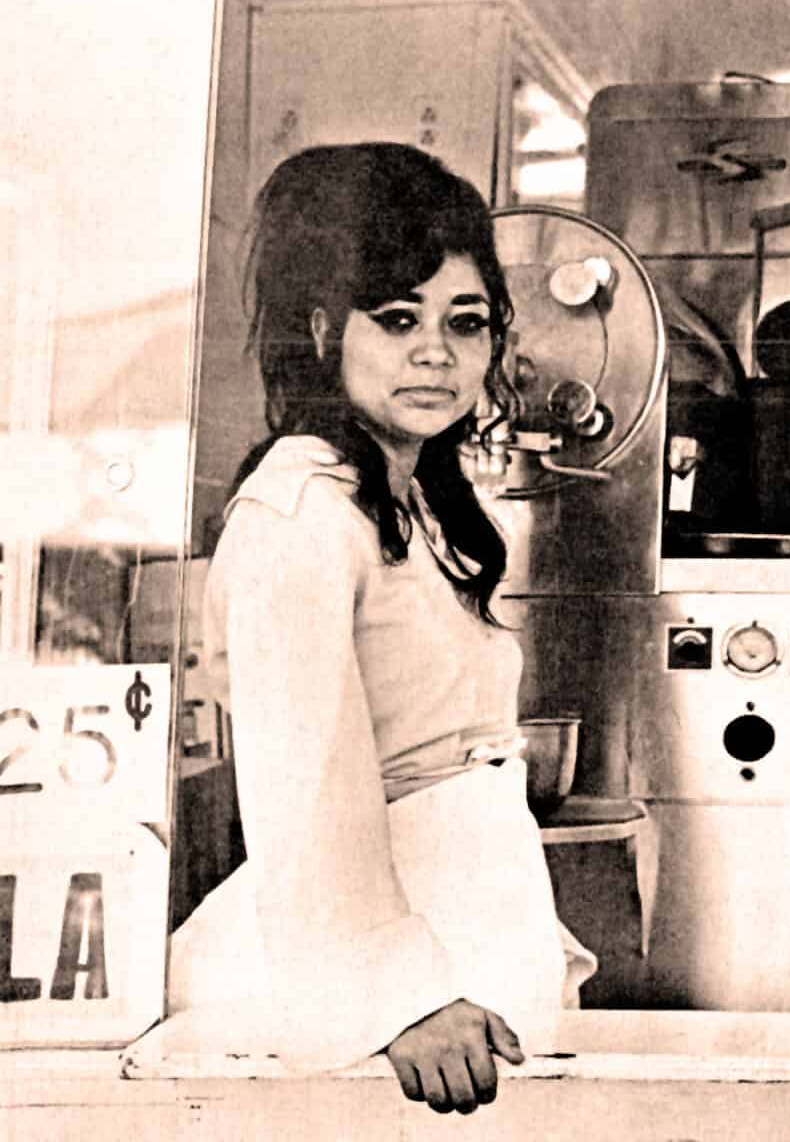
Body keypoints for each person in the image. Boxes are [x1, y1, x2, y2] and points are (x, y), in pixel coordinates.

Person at [165, 142, 595, 1112]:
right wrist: (398, 996)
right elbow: (304, 780)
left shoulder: (410, 502)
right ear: (323, 330)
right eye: (397, 319)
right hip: (372, 1010)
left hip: (441, 980)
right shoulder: (300, 514)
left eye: (465, 322)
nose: (436, 352)